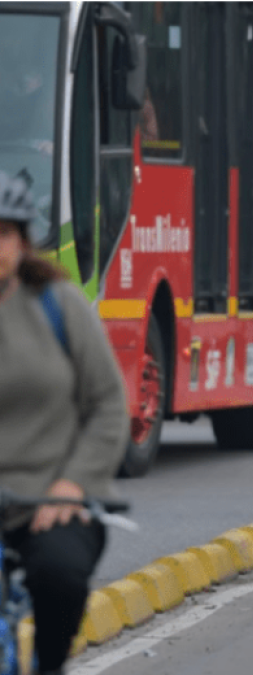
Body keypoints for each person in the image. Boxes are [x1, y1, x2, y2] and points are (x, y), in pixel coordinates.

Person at [0, 169, 128, 675]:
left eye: (3, 232)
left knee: (60, 577)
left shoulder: (58, 305)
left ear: (23, 242)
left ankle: (49, 666)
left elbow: (108, 405)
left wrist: (73, 484)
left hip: (49, 498)